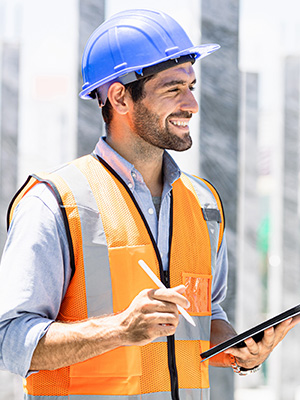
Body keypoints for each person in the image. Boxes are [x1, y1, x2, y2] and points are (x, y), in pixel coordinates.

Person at [0, 8, 299, 400]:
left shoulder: (203, 202)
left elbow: (203, 316)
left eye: (191, 87)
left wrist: (236, 346)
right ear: (120, 96)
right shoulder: (55, 202)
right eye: (173, 89)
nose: (191, 104)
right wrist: (121, 329)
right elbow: (10, 341)